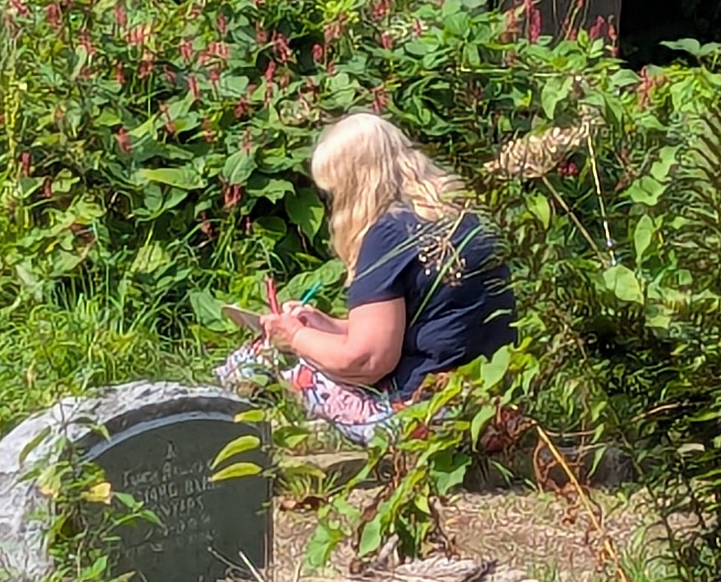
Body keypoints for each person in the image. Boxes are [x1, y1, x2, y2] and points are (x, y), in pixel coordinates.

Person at [214, 113, 528, 449]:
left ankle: (222, 438)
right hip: (495, 407)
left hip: (427, 419)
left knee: (261, 356)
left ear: (352, 183)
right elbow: (411, 327)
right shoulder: (464, 218)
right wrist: (323, 324)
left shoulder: (388, 233)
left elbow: (367, 361)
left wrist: (294, 336)